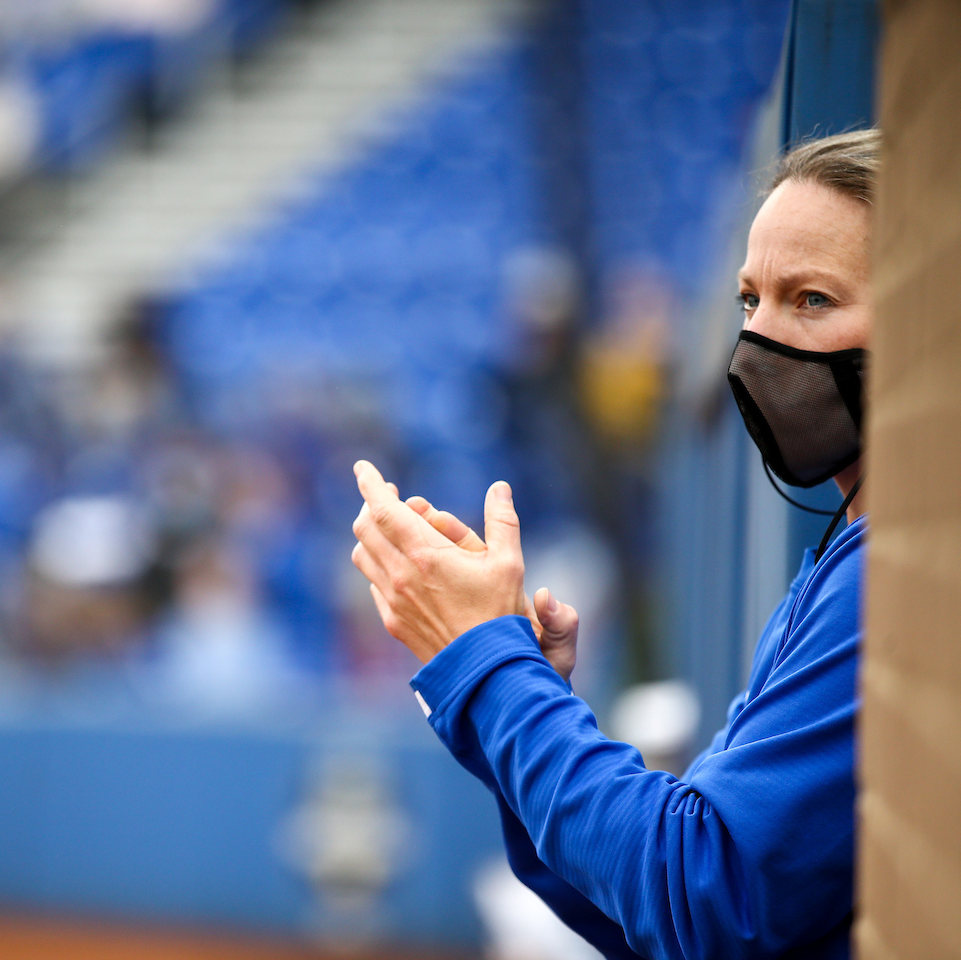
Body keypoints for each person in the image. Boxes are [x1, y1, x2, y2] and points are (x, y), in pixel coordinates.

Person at [350, 129, 878, 960]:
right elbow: (649, 913)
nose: (759, 342)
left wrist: (486, 665)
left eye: (811, 299)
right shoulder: (838, 558)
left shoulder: (888, 573)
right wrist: (517, 693)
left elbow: (701, 897)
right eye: (749, 302)